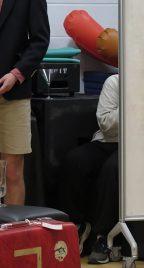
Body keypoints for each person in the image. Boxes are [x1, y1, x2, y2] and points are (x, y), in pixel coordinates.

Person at [58, 74, 119, 264]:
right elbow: (107, 125)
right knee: (75, 160)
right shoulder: (114, 82)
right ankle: (76, 226)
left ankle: (103, 238)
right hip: (108, 140)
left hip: (139, 144)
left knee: (114, 168)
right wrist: (133, 103)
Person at [0, 0, 50, 205]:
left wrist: (16, 74)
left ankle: (13, 235)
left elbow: (40, 40)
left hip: (14, 92)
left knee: (12, 171)